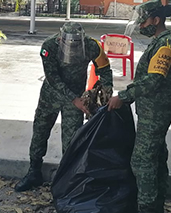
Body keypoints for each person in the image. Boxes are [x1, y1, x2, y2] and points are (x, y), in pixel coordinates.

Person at [108, 0, 171, 213]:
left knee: (142, 162)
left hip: (155, 113)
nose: (141, 25)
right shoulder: (160, 42)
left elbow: (153, 81)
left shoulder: (165, 46)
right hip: (154, 111)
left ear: (156, 20)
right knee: (157, 158)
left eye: (144, 20)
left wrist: (124, 96)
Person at [15, 22, 113, 192]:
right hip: (51, 97)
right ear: (60, 39)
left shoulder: (92, 46)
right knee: (40, 131)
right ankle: (34, 172)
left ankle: (67, 180)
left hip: (76, 101)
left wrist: (106, 92)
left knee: (71, 141)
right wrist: (74, 99)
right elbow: (52, 78)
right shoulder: (49, 46)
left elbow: (105, 69)